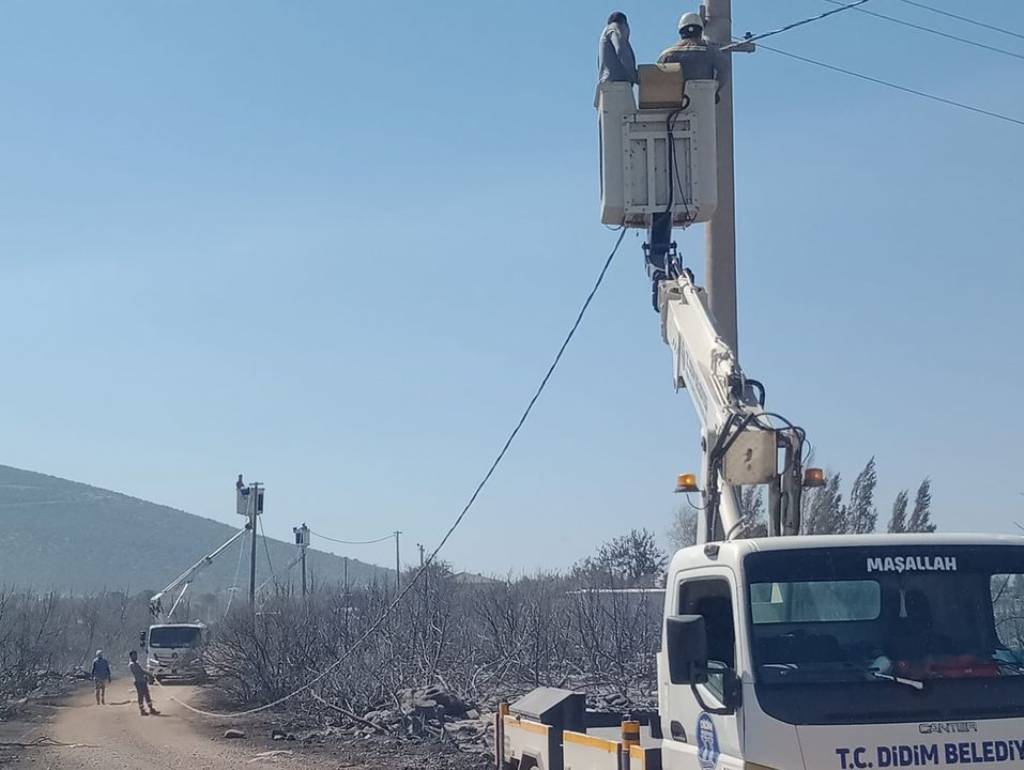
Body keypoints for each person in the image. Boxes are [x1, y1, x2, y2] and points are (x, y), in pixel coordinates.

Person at [657, 12, 729, 98]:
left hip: (674, 103)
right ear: (700, 32)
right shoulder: (711, 51)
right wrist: (714, 90)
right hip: (703, 100)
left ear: (681, 32)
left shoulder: (667, 54)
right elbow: (725, 69)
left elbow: (658, 76)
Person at [598, 12, 638, 89]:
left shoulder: (604, 36)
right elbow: (621, 51)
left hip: (607, 85)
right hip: (617, 86)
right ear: (625, 25)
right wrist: (635, 76)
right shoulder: (615, 28)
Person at [128, 650, 159, 716]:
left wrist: (148, 674)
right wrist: (149, 674)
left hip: (142, 681)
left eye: (136, 655)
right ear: (131, 656)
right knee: (141, 696)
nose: (135, 656)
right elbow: (141, 671)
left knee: (147, 695)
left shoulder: (136, 663)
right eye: (134, 655)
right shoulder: (132, 665)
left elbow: (142, 671)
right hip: (139, 682)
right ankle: (142, 710)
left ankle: (150, 708)